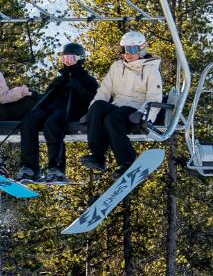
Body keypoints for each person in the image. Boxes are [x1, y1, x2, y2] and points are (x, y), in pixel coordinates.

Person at [82, 30, 163, 173]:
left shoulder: (150, 70)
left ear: (142, 49)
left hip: (136, 107)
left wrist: (143, 114)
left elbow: (155, 97)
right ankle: (98, 156)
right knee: (98, 106)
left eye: (132, 49)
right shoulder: (117, 67)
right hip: (118, 105)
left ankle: (127, 162)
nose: (127, 53)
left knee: (112, 120)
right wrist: (91, 111)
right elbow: (104, 91)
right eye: (124, 49)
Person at [19, 43, 97, 183]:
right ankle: (29, 167)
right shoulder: (60, 79)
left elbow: (94, 100)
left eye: (71, 59)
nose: (67, 62)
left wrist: (79, 88)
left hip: (73, 111)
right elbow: (46, 99)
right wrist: (50, 91)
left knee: (53, 123)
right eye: (65, 58)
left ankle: (56, 168)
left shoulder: (88, 80)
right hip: (52, 109)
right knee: (29, 120)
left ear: (80, 59)